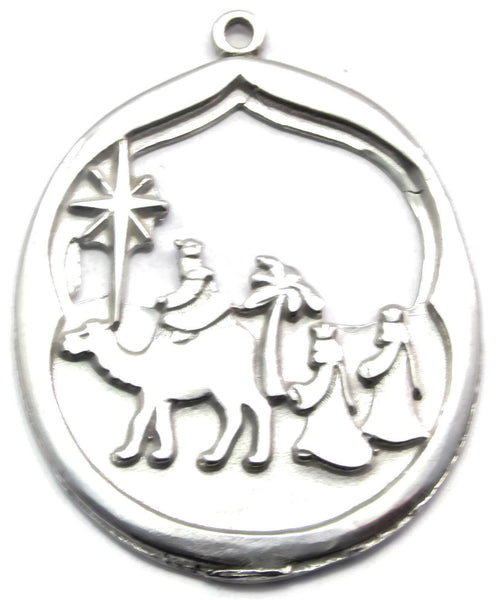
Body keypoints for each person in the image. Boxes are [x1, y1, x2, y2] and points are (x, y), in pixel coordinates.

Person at [288, 323, 373, 470]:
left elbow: (319, 389)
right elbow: (345, 390)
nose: (313, 355)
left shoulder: (327, 369)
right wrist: (350, 403)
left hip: (328, 410)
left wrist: (298, 392)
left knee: (324, 429)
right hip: (338, 407)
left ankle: (323, 450)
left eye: (316, 350)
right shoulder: (336, 367)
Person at [357, 305, 429, 444]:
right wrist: (415, 385)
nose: (380, 335)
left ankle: (390, 435)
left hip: (393, 384)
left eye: (383, 329)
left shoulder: (394, 345)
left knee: (391, 406)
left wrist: (367, 370)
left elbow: (384, 362)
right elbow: (410, 363)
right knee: (394, 406)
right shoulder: (402, 345)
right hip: (397, 383)